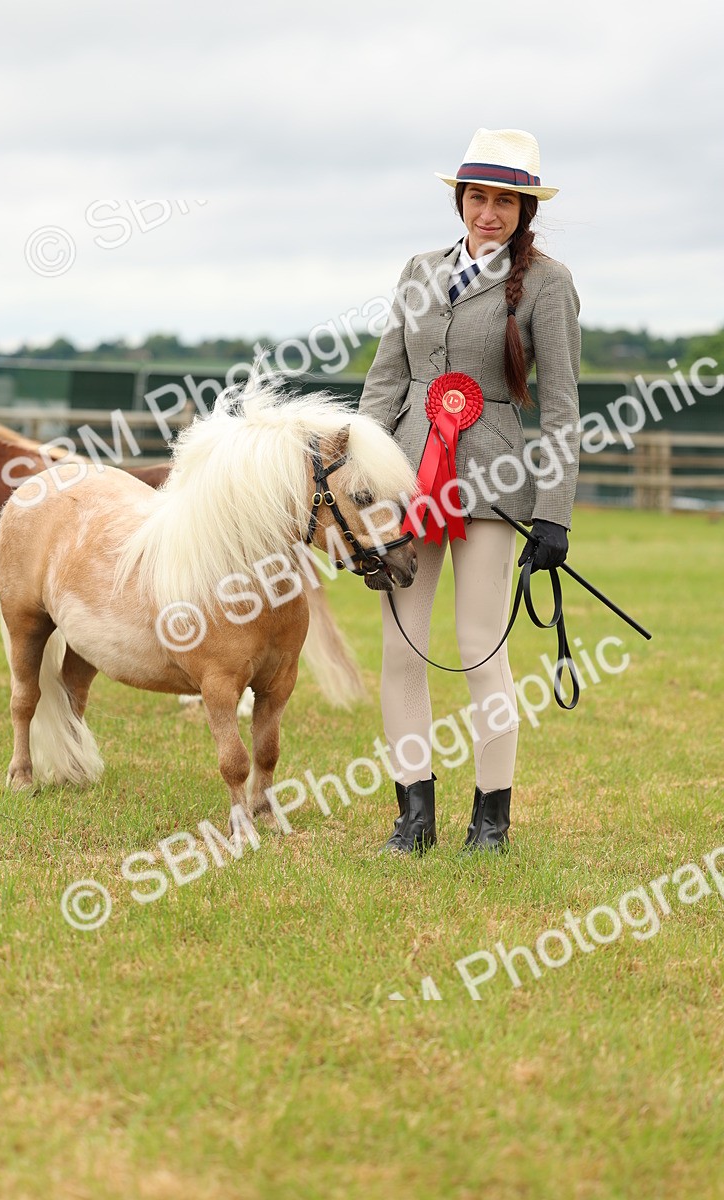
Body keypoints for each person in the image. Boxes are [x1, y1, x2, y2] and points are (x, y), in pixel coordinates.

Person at [358, 127, 581, 855]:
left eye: (503, 201)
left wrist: (552, 514)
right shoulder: (420, 269)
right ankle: (412, 818)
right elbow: (385, 380)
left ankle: (491, 822)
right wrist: (365, 479)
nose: (488, 212)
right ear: (461, 199)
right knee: (400, 652)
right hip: (405, 480)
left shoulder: (549, 284)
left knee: (482, 650)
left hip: (490, 483)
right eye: (477, 197)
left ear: (523, 209)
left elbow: (563, 409)